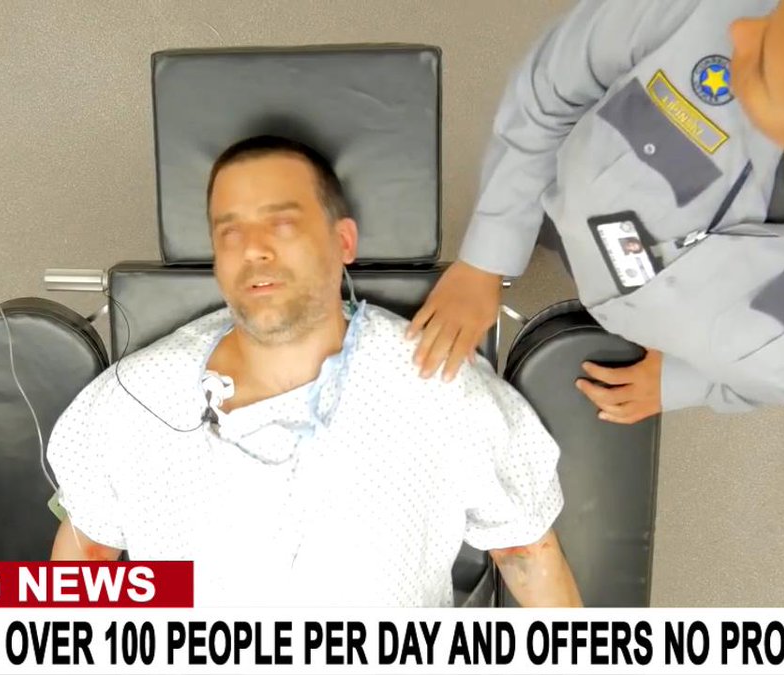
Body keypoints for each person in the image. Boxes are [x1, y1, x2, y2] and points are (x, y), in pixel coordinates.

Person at [45, 135, 582, 608]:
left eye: (281, 223)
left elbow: (525, 552)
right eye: (229, 232)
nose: (253, 249)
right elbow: (86, 557)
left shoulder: (439, 385)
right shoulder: (135, 399)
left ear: (343, 242)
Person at [409, 0, 784, 424]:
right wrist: (487, 256)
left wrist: (698, 384)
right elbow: (552, 86)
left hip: (675, 327)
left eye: (762, 66)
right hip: (571, 212)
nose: (740, 30)